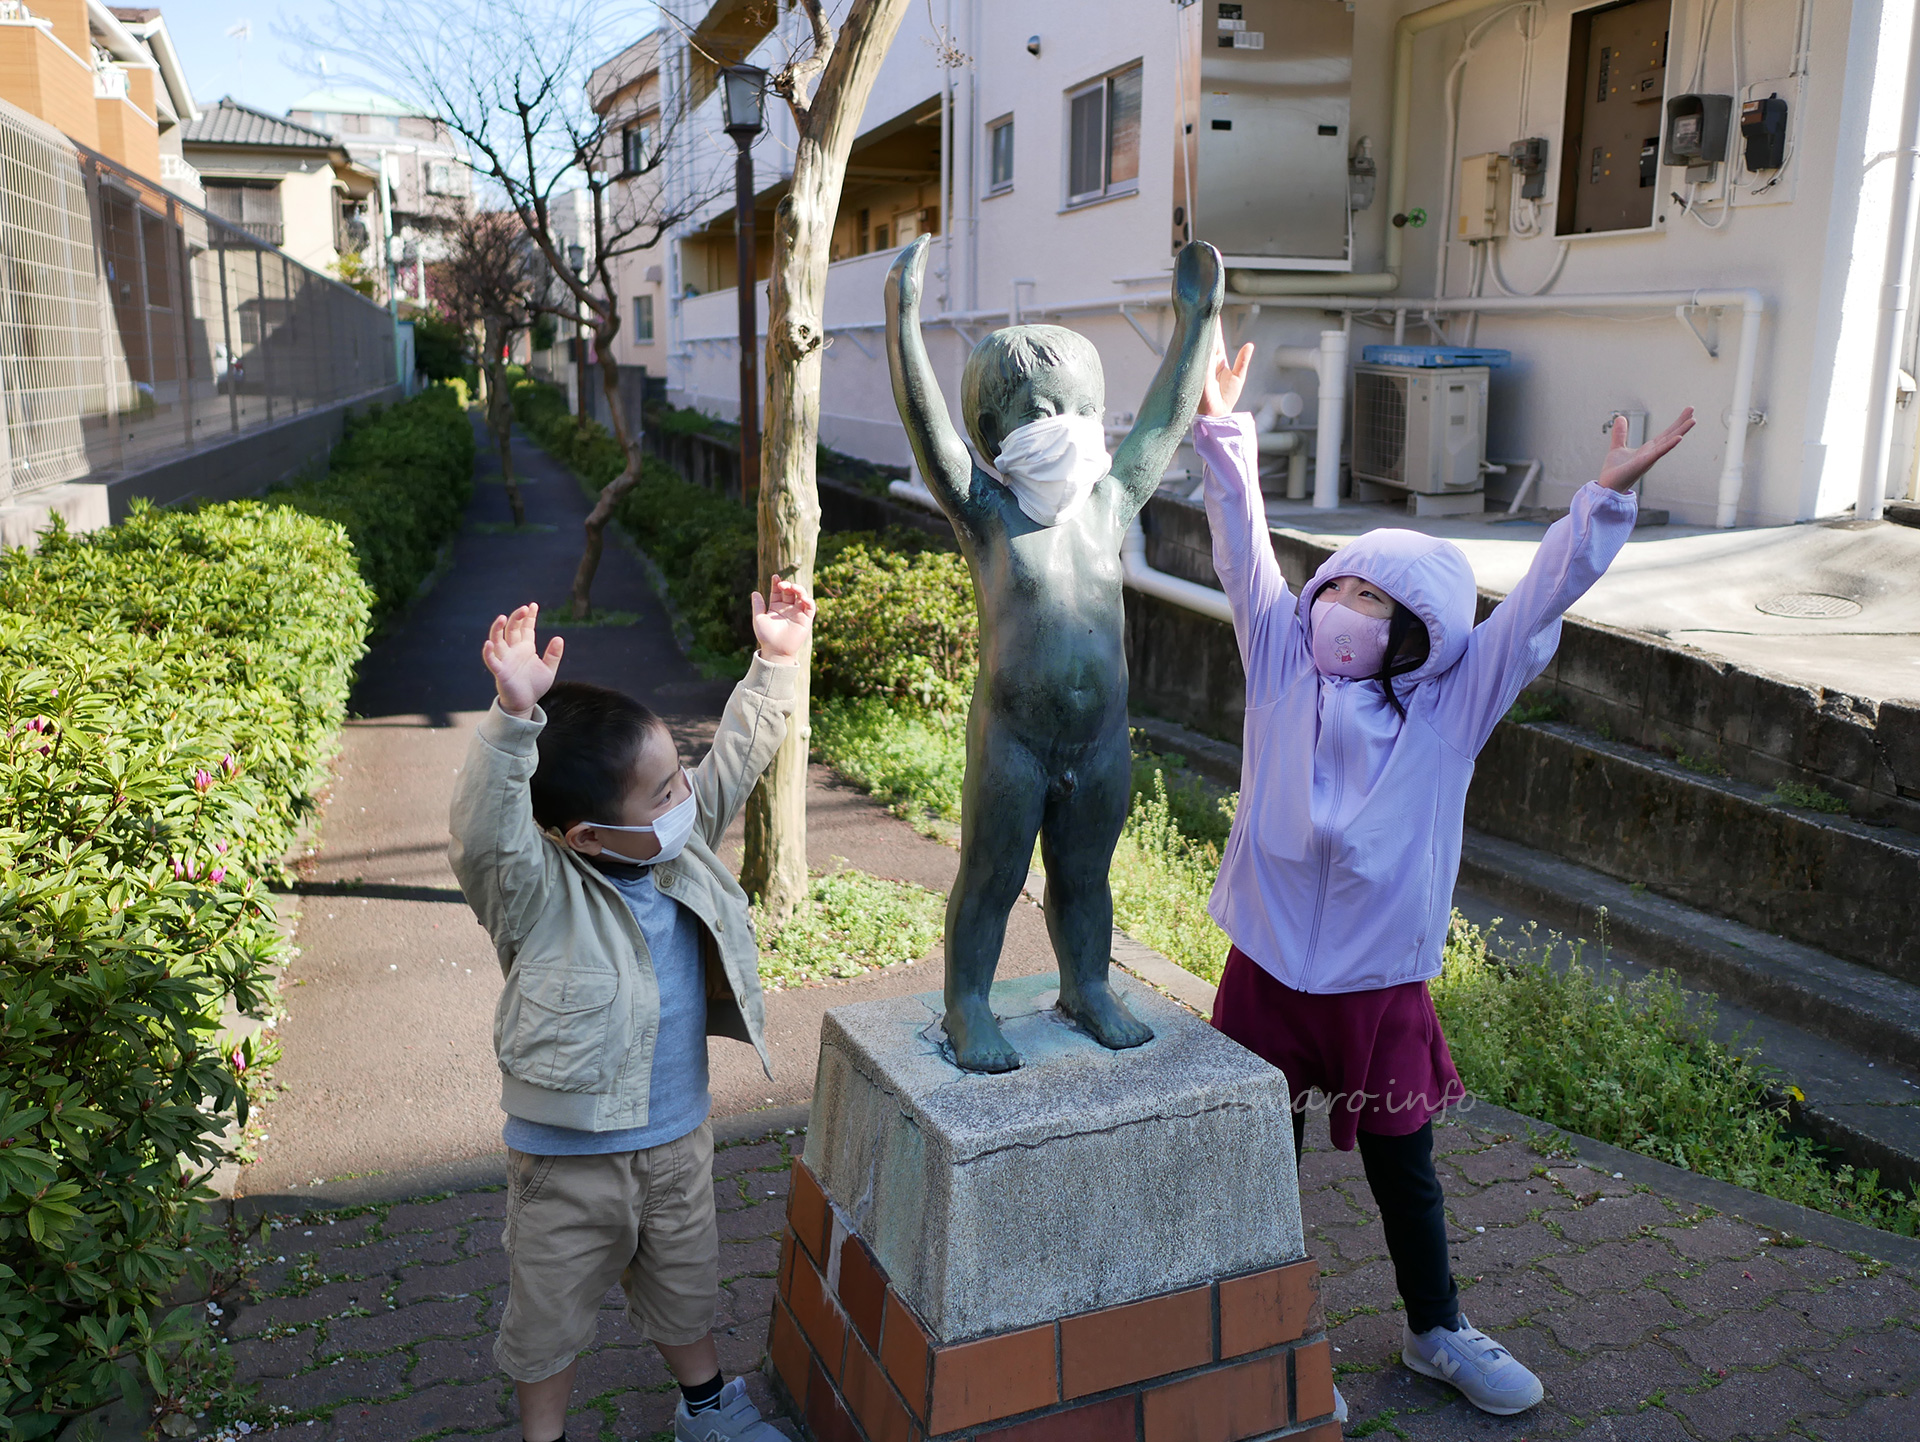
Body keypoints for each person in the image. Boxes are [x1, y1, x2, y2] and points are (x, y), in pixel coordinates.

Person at [1193, 331, 1692, 1417]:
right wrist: (1225, 436)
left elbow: (1533, 608)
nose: (1342, 605)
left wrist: (1599, 504)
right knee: (1256, 1164)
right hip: (1265, 976)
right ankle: (1265, 1345)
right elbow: (1242, 552)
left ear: (1420, 632)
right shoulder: (1278, 662)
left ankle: (1436, 1331)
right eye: (1338, 585)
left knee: (1403, 1168)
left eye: (1373, 600)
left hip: (1381, 990)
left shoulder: (1451, 709)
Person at [448, 584, 816, 1442]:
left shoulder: (677, 850)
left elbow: (733, 762)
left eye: (677, 776)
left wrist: (775, 662)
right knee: (549, 1318)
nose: (684, 796)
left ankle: (706, 1407)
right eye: (660, 793)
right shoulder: (534, 892)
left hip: (677, 1139)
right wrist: (512, 718)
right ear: (584, 835)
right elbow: (484, 835)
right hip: (567, 1163)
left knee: (685, 1287)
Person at [883, 232, 1221, 1072]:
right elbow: (929, 432)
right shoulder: (987, 515)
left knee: (1085, 874)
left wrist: (1198, 322)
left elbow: (1163, 422)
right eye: (1037, 414)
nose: (1062, 429)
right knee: (991, 876)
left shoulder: (1109, 503)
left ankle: (1089, 987)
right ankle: (969, 1005)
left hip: (1101, 738)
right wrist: (903, 322)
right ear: (993, 432)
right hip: (1014, 740)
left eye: (1076, 410)